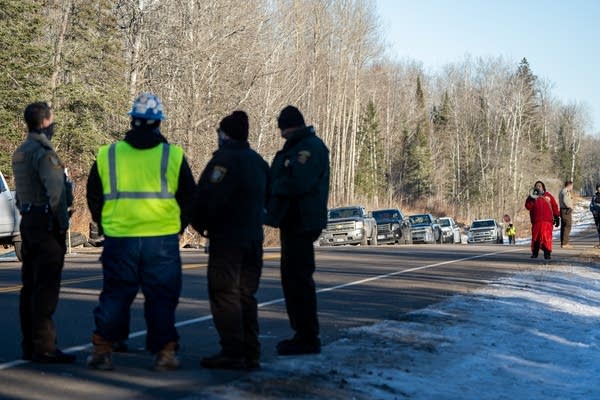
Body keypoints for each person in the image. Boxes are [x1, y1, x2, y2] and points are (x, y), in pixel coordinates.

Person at [85, 93, 195, 371]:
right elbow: (190, 197)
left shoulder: (108, 154)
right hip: (161, 239)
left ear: (132, 121)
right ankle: (165, 353)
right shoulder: (173, 156)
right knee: (161, 296)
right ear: (159, 123)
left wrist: (107, 223)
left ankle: (102, 350)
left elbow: (94, 195)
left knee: (115, 294)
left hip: (120, 238)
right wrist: (178, 226)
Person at [192, 111, 269, 370]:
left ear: (225, 135)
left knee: (225, 294)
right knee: (246, 295)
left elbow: (208, 197)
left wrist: (199, 224)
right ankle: (251, 350)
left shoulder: (224, 161)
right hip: (254, 238)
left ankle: (233, 351)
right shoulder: (258, 162)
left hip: (228, 239)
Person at [11, 102, 76, 363]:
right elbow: (57, 194)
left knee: (30, 286)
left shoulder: (21, 151)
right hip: (46, 224)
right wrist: (62, 223)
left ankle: (30, 342)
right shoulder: (44, 153)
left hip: (28, 221)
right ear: (45, 122)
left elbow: (21, 193)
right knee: (46, 288)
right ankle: (45, 345)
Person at [265, 105, 330, 355]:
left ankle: (307, 336)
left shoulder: (309, 148)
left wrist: (275, 189)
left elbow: (299, 181)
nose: (282, 135)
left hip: (302, 220)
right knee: (292, 280)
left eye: (283, 130)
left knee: (298, 280)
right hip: (293, 220)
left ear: (292, 126)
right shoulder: (297, 146)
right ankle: (302, 333)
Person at [525, 180, 560, 259]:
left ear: (543, 187)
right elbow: (528, 207)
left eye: (540, 186)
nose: (538, 187)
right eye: (537, 186)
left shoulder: (548, 196)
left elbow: (554, 206)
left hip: (547, 221)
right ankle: (535, 253)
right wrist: (531, 199)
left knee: (546, 238)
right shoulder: (532, 197)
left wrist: (557, 217)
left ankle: (547, 253)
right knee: (536, 237)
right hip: (536, 222)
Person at [558, 180, 574, 248]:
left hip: (562, 210)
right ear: (569, 185)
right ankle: (565, 243)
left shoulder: (562, 191)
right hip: (566, 210)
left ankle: (563, 242)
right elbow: (565, 200)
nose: (572, 187)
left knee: (564, 226)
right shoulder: (566, 191)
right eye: (572, 185)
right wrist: (570, 207)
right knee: (567, 226)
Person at [590, 184, 600, 248]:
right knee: (599, 229)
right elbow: (591, 205)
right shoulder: (594, 196)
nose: (599, 189)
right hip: (596, 215)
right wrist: (593, 211)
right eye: (598, 188)